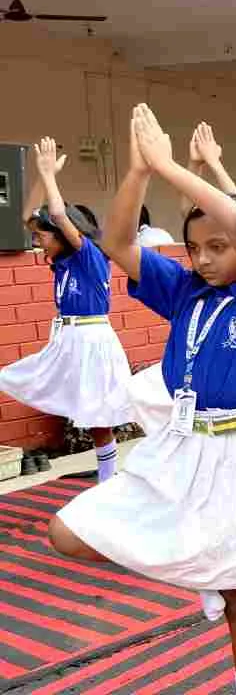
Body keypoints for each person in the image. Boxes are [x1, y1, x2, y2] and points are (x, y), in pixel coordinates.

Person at [49, 104, 236, 695]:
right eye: (195, 248)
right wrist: (140, 170)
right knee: (66, 533)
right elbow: (115, 241)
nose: (204, 258)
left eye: (216, 246)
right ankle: (195, 562)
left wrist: (173, 168)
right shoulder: (187, 289)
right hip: (184, 447)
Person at [0, 138, 131, 482]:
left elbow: (56, 215)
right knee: (26, 380)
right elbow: (28, 217)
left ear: (63, 234)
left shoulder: (88, 256)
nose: (38, 240)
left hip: (91, 340)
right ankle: (109, 474)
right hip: (68, 339)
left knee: (98, 416)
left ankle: (108, 477)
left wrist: (49, 177)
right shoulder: (60, 261)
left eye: (45, 236)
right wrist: (44, 181)